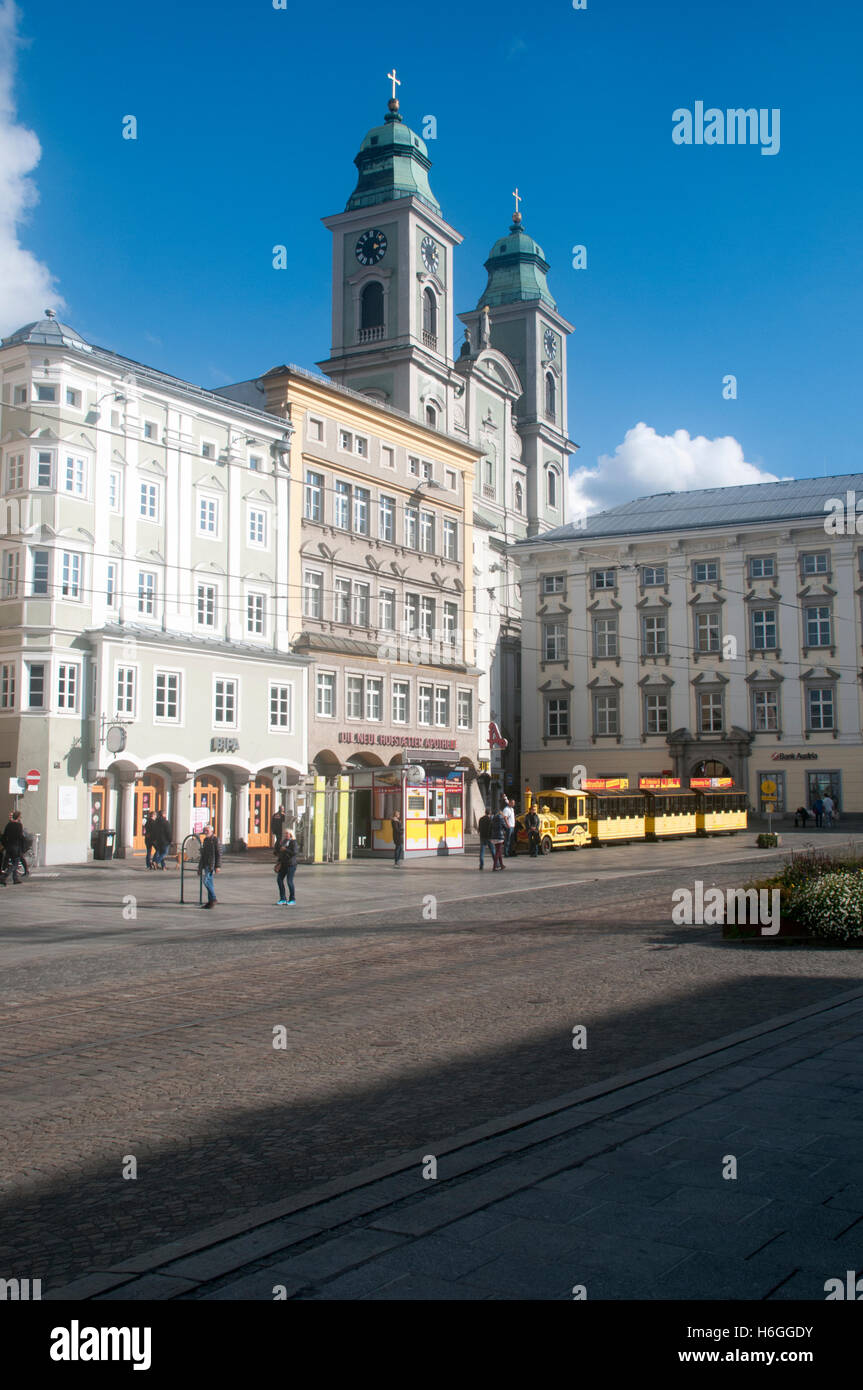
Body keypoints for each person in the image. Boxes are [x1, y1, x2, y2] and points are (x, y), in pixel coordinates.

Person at [1, 810, 27, 885]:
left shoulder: (9, 824)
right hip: (16, 847)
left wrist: (5, 845)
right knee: (15, 863)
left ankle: (15, 879)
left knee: (13, 862)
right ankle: (4, 877)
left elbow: (4, 836)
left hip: (9, 847)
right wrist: (23, 847)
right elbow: (20, 837)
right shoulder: (19, 825)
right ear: (18, 817)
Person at [198, 825, 221, 908]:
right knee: (209, 882)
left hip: (212, 864)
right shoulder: (205, 840)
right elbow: (203, 854)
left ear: (212, 831)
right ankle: (210, 901)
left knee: (206, 881)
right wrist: (200, 867)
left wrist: (217, 866)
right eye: (204, 830)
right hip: (206, 863)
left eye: (207, 830)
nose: (205, 832)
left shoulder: (215, 840)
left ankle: (213, 898)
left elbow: (218, 853)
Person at [274, 830, 298, 905]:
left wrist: (286, 850)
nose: (286, 835)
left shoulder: (293, 842)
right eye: (285, 833)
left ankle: (292, 899)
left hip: (291, 864)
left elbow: (294, 852)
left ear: (291, 834)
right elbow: (279, 852)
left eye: (287, 833)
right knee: (279, 879)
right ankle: (283, 898)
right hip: (283, 864)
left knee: (289, 881)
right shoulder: (283, 842)